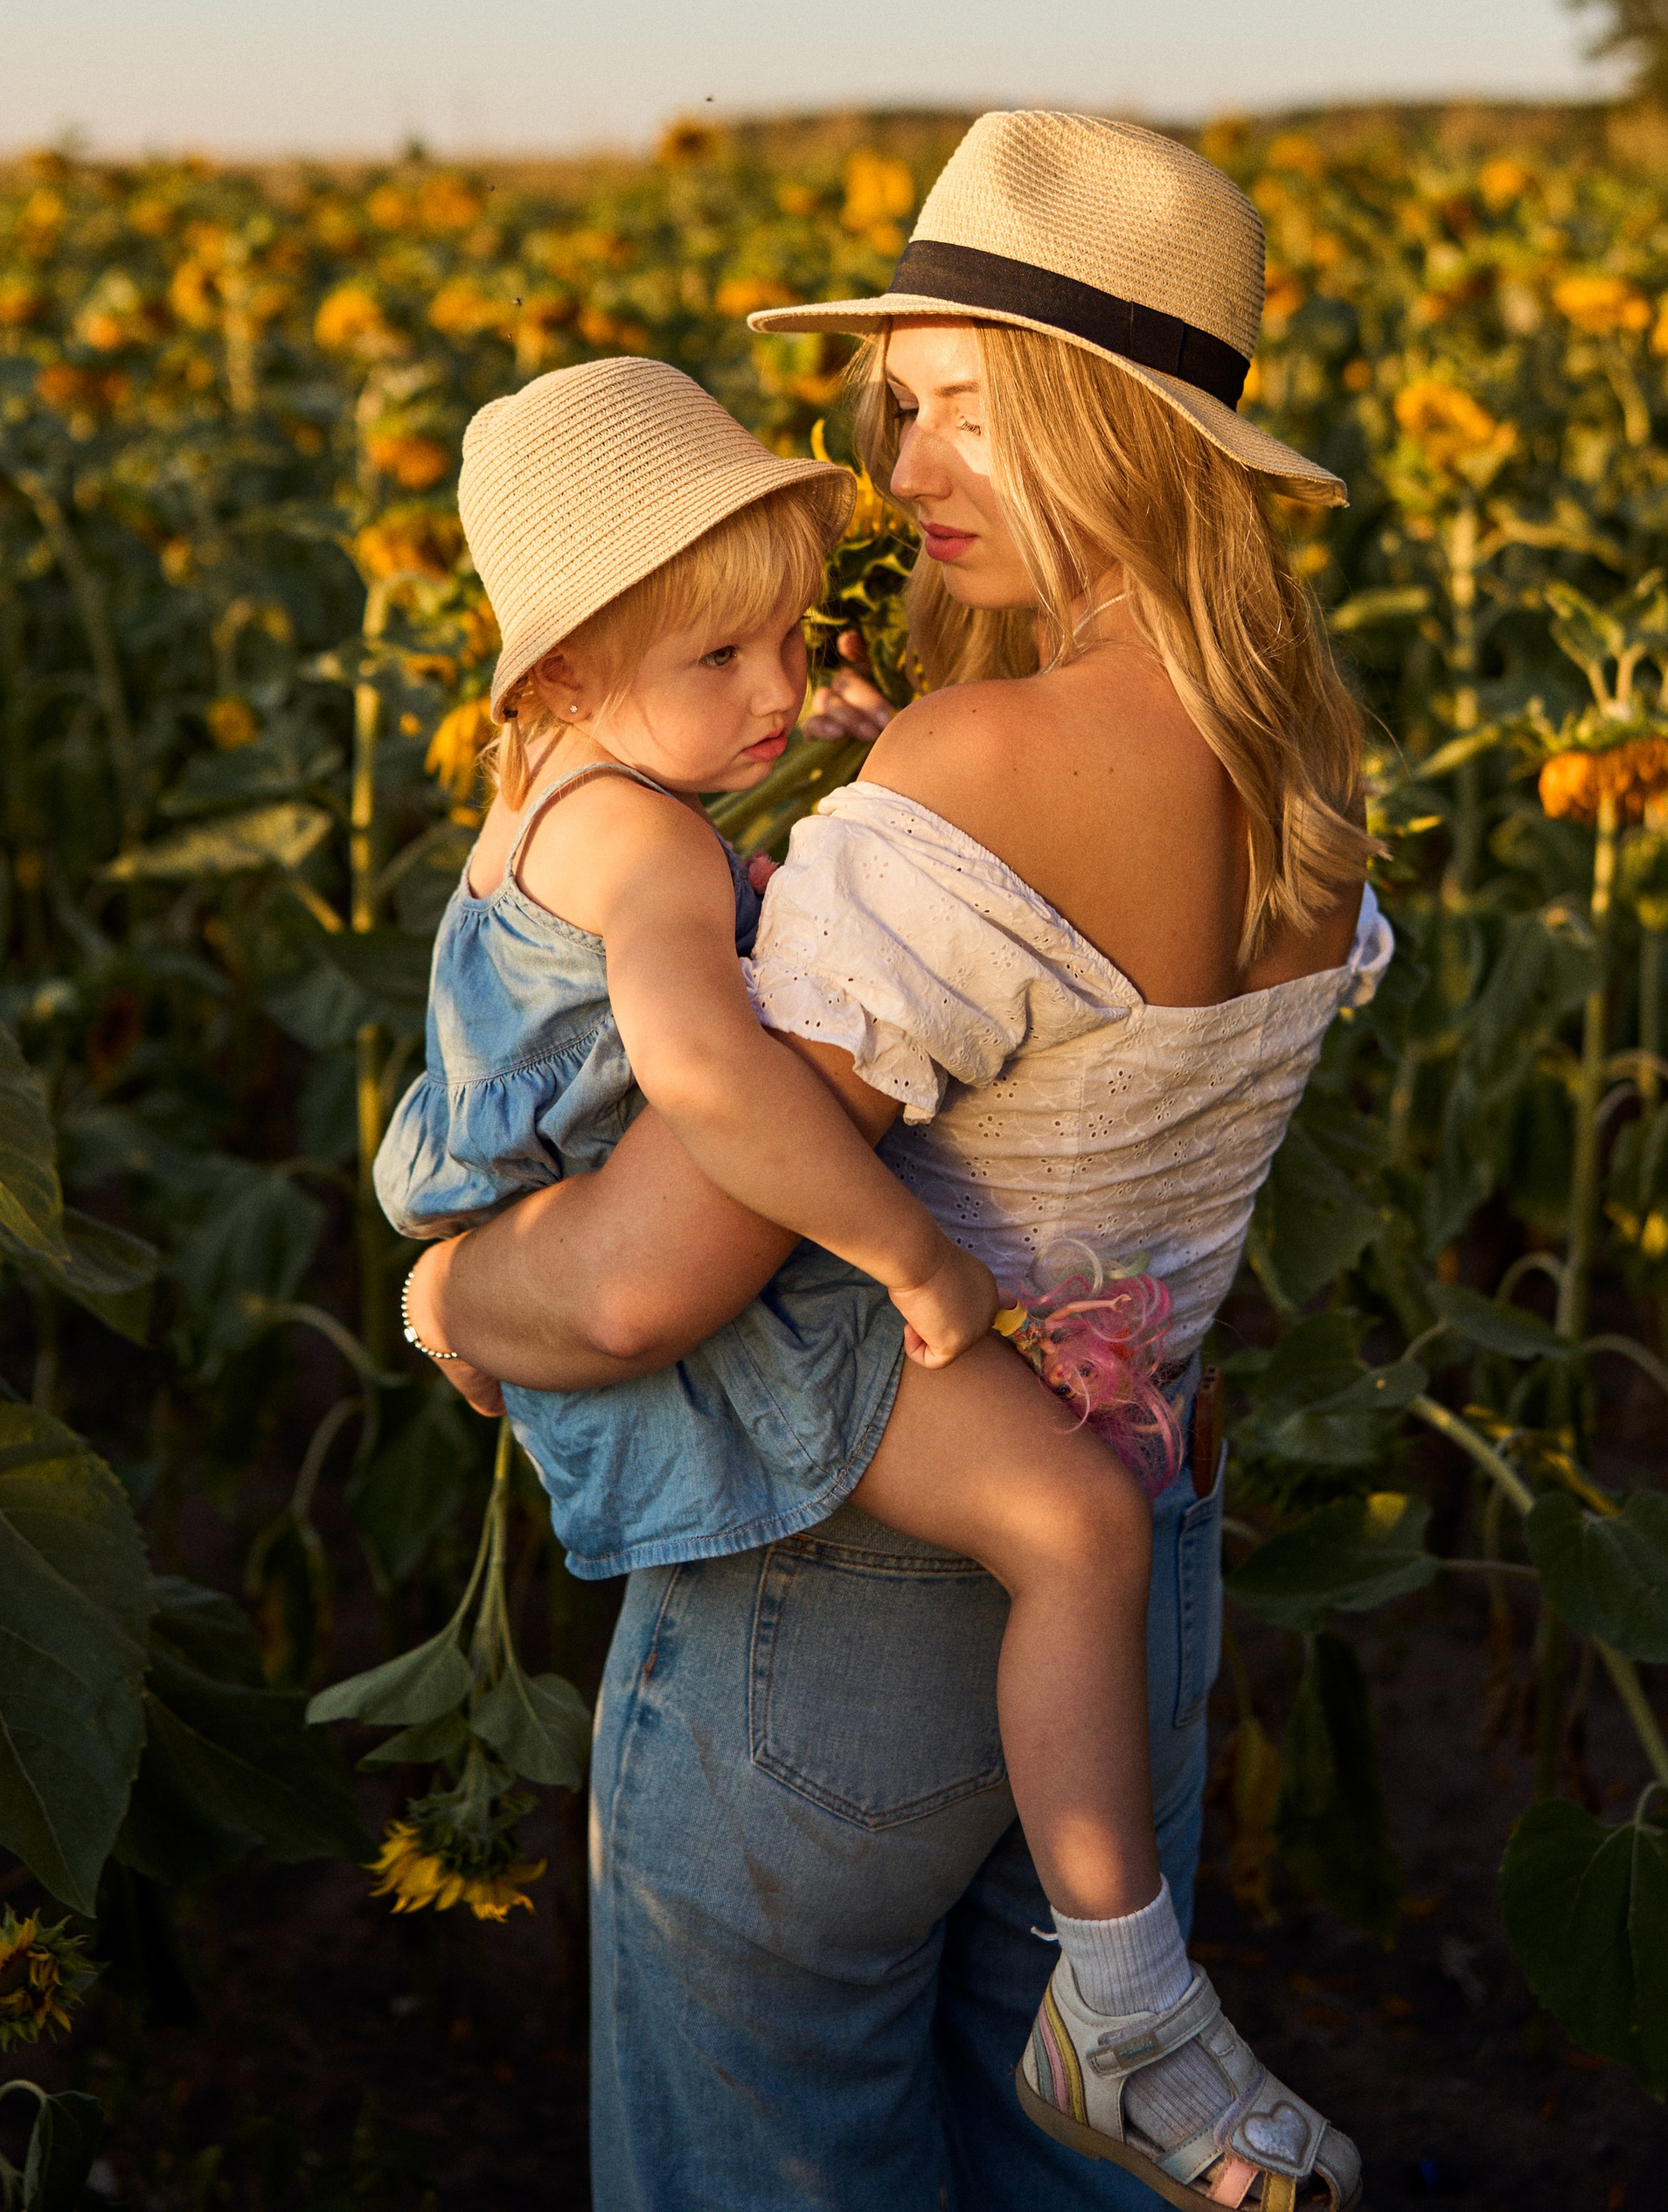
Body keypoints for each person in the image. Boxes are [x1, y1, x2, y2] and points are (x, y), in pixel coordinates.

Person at [404, 111, 1389, 2212]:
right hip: (1124, 1588)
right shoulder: (1304, 758)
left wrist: (450, 1292)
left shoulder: (985, 766)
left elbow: (638, 1284)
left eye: (962, 407)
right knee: (1059, 2156)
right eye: (900, 404)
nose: (903, 465)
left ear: (1114, 428)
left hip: (835, 1598)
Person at [377, 353, 1192, 2140]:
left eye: (789, 641)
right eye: (720, 660)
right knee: (1075, 1523)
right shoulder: (651, 853)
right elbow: (711, 1083)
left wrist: (789, 743)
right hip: (729, 1310)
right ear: (573, 672)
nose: (773, 690)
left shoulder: (559, 799)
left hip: (565, 1254)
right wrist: (908, 1258)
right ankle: (1133, 2010)